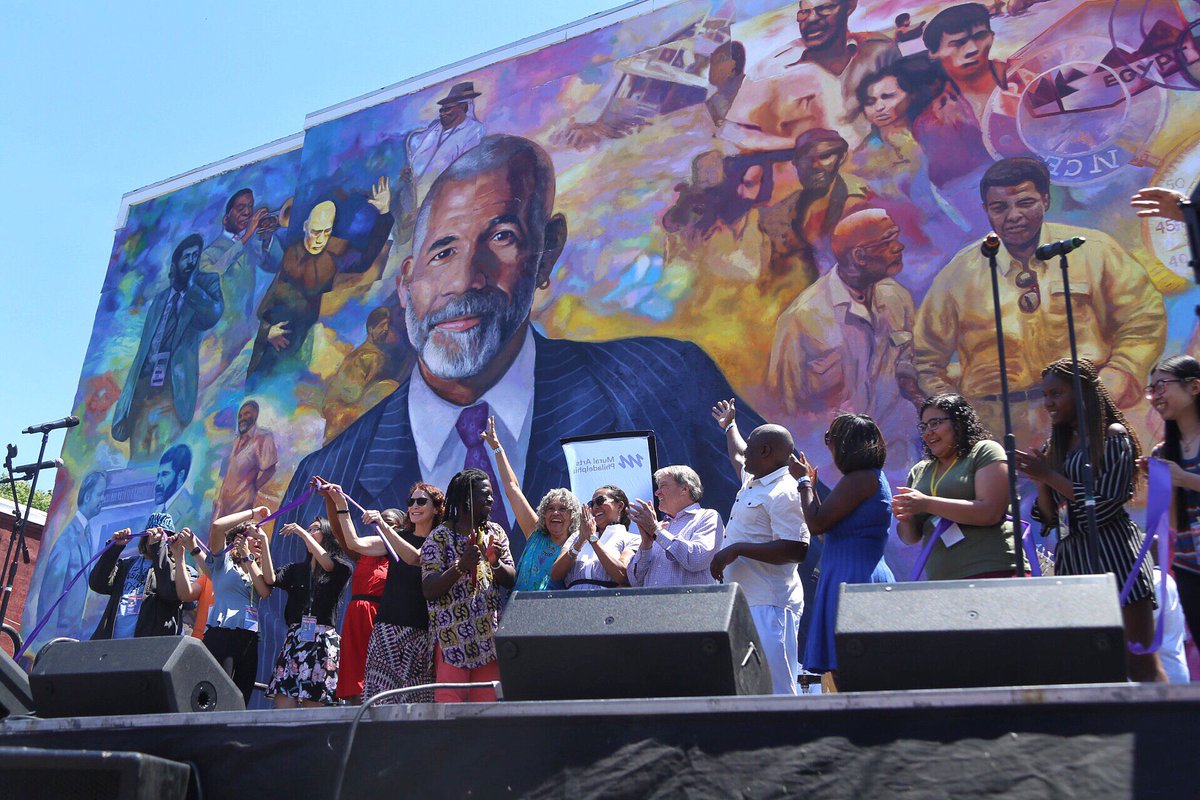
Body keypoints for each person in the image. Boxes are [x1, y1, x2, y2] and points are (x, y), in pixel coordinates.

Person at [271, 134, 764, 571]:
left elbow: (795, 545)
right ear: (405, 284)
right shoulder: (326, 477)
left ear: (547, 252)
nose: (466, 279)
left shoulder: (670, 383)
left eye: (501, 238)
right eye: (442, 252)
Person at [913, 157, 1166, 443]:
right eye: (1000, 207)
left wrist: (1119, 375)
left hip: (1090, 416)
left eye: (1025, 203)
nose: (1013, 216)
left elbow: (1143, 317)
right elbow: (926, 358)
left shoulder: (1091, 251)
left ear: (1045, 200)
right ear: (986, 211)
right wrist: (957, 415)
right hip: (999, 431)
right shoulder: (959, 273)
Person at [1014, 358, 1166, 682]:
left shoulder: (1112, 436)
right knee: (1091, 668)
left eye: (1057, 393)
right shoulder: (1056, 444)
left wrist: (1049, 475)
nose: (1049, 403)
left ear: (1082, 394)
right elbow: (1049, 518)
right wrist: (1040, 479)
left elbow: (1105, 504)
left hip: (1116, 557)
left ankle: (1165, 731)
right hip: (1073, 560)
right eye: (1046, 395)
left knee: (1139, 663)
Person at [769, 209, 920, 465]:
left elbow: (910, 370)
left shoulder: (898, 299)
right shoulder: (802, 317)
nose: (899, 246)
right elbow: (784, 405)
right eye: (888, 241)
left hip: (897, 456)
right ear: (860, 255)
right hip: (835, 464)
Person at [708, 407, 810, 695]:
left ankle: (792, 740)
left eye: (752, 448)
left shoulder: (785, 491)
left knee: (778, 689)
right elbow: (738, 454)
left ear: (765, 451)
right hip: (744, 603)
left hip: (771, 605)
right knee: (750, 688)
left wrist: (737, 549)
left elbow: (797, 548)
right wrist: (730, 426)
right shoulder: (754, 480)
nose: (745, 454)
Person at [248, 185, 393, 379]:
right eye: (316, 232)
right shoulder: (291, 252)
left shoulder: (336, 251)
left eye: (326, 232)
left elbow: (365, 260)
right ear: (306, 226)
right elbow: (272, 294)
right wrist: (265, 331)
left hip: (298, 335)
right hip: (270, 331)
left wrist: (384, 214)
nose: (320, 239)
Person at [792, 414, 894, 686]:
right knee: (850, 674)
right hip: (847, 575)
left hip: (854, 580)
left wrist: (803, 483)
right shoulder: (864, 479)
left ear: (846, 444)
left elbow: (815, 524)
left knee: (856, 672)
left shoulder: (860, 479)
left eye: (830, 439)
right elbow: (830, 531)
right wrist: (812, 490)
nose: (828, 446)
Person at [316, 480, 429, 705]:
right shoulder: (367, 553)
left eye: (390, 523)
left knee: (384, 676)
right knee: (357, 674)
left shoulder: (399, 551)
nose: (383, 527)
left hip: (382, 617)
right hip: (356, 617)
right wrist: (333, 500)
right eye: (381, 522)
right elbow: (345, 537)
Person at [111, 234, 223, 462]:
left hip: (173, 386)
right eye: (186, 257)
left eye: (195, 256)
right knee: (138, 449)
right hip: (145, 383)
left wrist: (191, 287)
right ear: (175, 264)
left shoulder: (206, 284)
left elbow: (212, 314)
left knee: (160, 448)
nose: (191, 261)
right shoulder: (162, 299)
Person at [893, 394, 1018, 579]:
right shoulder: (919, 471)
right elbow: (911, 538)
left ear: (959, 422)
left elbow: (990, 512)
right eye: (924, 426)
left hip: (993, 571)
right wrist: (905, 516)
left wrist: (926, 503)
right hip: (942, 581)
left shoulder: (984, 451)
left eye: (935, 423)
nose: (928, 432)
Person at [421, 469, 515, 703]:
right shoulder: (439, 537)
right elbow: (429, 589)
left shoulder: (496, 533)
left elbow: (511, 579)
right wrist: (461, 566)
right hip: (452, 642)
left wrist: (495, 563)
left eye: (492, 494)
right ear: (466, 498)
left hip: (488, 644)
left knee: (487, 718)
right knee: (450, 716)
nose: (491, 500)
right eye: (485, 494)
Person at [175, 506, 273, 705]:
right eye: (253, 535)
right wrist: (253, 514)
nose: (259, 540)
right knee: (217, 693)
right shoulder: (223, 563)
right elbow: (217, 527)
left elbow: (264, 591)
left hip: (249, 637)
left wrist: (251, 552)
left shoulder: (257, 568)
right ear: (241, 538)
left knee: (241, 695)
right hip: (222, 633)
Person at [758, 128, 873, 293]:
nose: (815, 166)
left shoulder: (861, 202)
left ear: (841, 158)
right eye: (806, 159)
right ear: (795, 163)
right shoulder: (781, 213)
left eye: (825, 156)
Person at [263, 517, 353, 708]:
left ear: (328, 534)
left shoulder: (342, 567)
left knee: (315, 706)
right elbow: (270, 579)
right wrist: (262, 541)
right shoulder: (297, 569)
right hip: (296, 639)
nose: (310, 531)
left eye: (315, 529)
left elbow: (328, 565)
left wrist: (302, 533)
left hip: (322, 642)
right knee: (284, 704)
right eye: (309, 529)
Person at [1141, 355, 1200, 645]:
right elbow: (1175, 524)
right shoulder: (1164, 453)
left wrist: (1184, 479)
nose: (1154, 396)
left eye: (1161, 386)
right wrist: (1163, 485)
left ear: (1194, 387)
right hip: (1191, 569)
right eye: (1151, 389)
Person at [482, 416, 579, 591]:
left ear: (573, 517)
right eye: (550, 508)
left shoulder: (576, 547)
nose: (555, 513)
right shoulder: (535, 534)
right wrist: (497, 448)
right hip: (518, 611)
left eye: (563, 509)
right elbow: (512, 488)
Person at [199, 188, 285, 379]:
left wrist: (268, 237)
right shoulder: (209, 254)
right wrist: (248, 236)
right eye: (240, 208)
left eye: (250, 207)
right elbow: (213, 275)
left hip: (246, 334)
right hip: (217, 340)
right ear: (225, 219)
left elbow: (275, 265)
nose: (248, 213)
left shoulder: (251, 246)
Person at [771, 0, 899, 123]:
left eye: (824, 8)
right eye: (804, 12)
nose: (811, 19)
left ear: (849, 7)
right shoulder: (781, 70)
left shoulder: (880, 53)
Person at [88, 511, 201, 640]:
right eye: (152, 534)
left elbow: (169, 593)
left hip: (150, 648)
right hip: (111, 644)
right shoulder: (127, 564)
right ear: (144, 537)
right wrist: (113, 549)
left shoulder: (183, 570)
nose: (157, 538)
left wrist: (158, 548)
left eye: (164, 535)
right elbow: (97, 584)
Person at [36, 470, 107, 640]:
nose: (103, 499)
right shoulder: (67, 539)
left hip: (70, 637)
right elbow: (50, 595)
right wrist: (46, 644)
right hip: (57, 638)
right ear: (88, 496)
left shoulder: (86, 532)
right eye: (100, 494)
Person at [626, 466, 723, 587]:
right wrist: (645, 545)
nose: (657, 493)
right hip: (655, 605)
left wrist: (656, 530)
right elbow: (635, 581)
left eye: (663, 486)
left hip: (690, 605)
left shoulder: (707, 517)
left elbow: (696, 560)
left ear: (684, 489)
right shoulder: (659, 527)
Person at [321, 306, 402, 442]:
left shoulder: (373, 355)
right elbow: (348, 395)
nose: (386, 329)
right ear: (370, 329)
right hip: (342, 423)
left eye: (387, 325)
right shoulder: (366, 357)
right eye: (382, 325)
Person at [551, 486, 641, 590]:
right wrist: (580, 542)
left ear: (620, 506)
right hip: (573, 600)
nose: (595, 507)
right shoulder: (576, 536)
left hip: (606, 601)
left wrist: (593, 539)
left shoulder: (632, 539)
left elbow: (623, 575)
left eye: (600, 500)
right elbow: (556, 574)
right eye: (591, 504)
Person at [214, 401, 278, 518]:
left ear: (255, 415)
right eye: (240, 416)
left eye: (246, 414)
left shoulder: (263, 437)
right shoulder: (237, 440)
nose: (242, 418)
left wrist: (253, 488)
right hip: (224, 503)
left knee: (234, 534)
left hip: (242, 503)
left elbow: (270, 468)